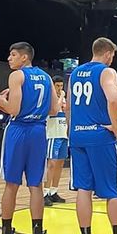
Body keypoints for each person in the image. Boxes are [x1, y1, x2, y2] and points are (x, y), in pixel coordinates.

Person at [68, 37, 117, 234]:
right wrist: (115, 126)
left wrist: (72, 130)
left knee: (83, 189)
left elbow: (68, 106)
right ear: (108, 53)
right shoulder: (107, 72)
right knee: (113, 190)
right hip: (100, 136)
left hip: (77, 136)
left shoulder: (74, 73)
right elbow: (112, 99)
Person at [0, 42, 60, 234]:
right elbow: (54, 109)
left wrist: (0, 101)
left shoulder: (17, 76)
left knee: (11, 184)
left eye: (12, 54)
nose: (9, 58)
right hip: (38, 132)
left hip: (18, 130)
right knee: (36, 185)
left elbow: (13, 109)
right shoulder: (47, 77)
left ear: (25, 58)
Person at [44, 75, 68, 206]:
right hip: (52, 134)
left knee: (60, 163)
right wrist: (61, 98)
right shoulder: (50, 98)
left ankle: (54, 191)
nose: (60, 88)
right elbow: (53, 112)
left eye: (61, 86)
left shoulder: (64, 99)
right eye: (57, 86)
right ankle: (45, 193)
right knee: (51, 164)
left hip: (63, 133)